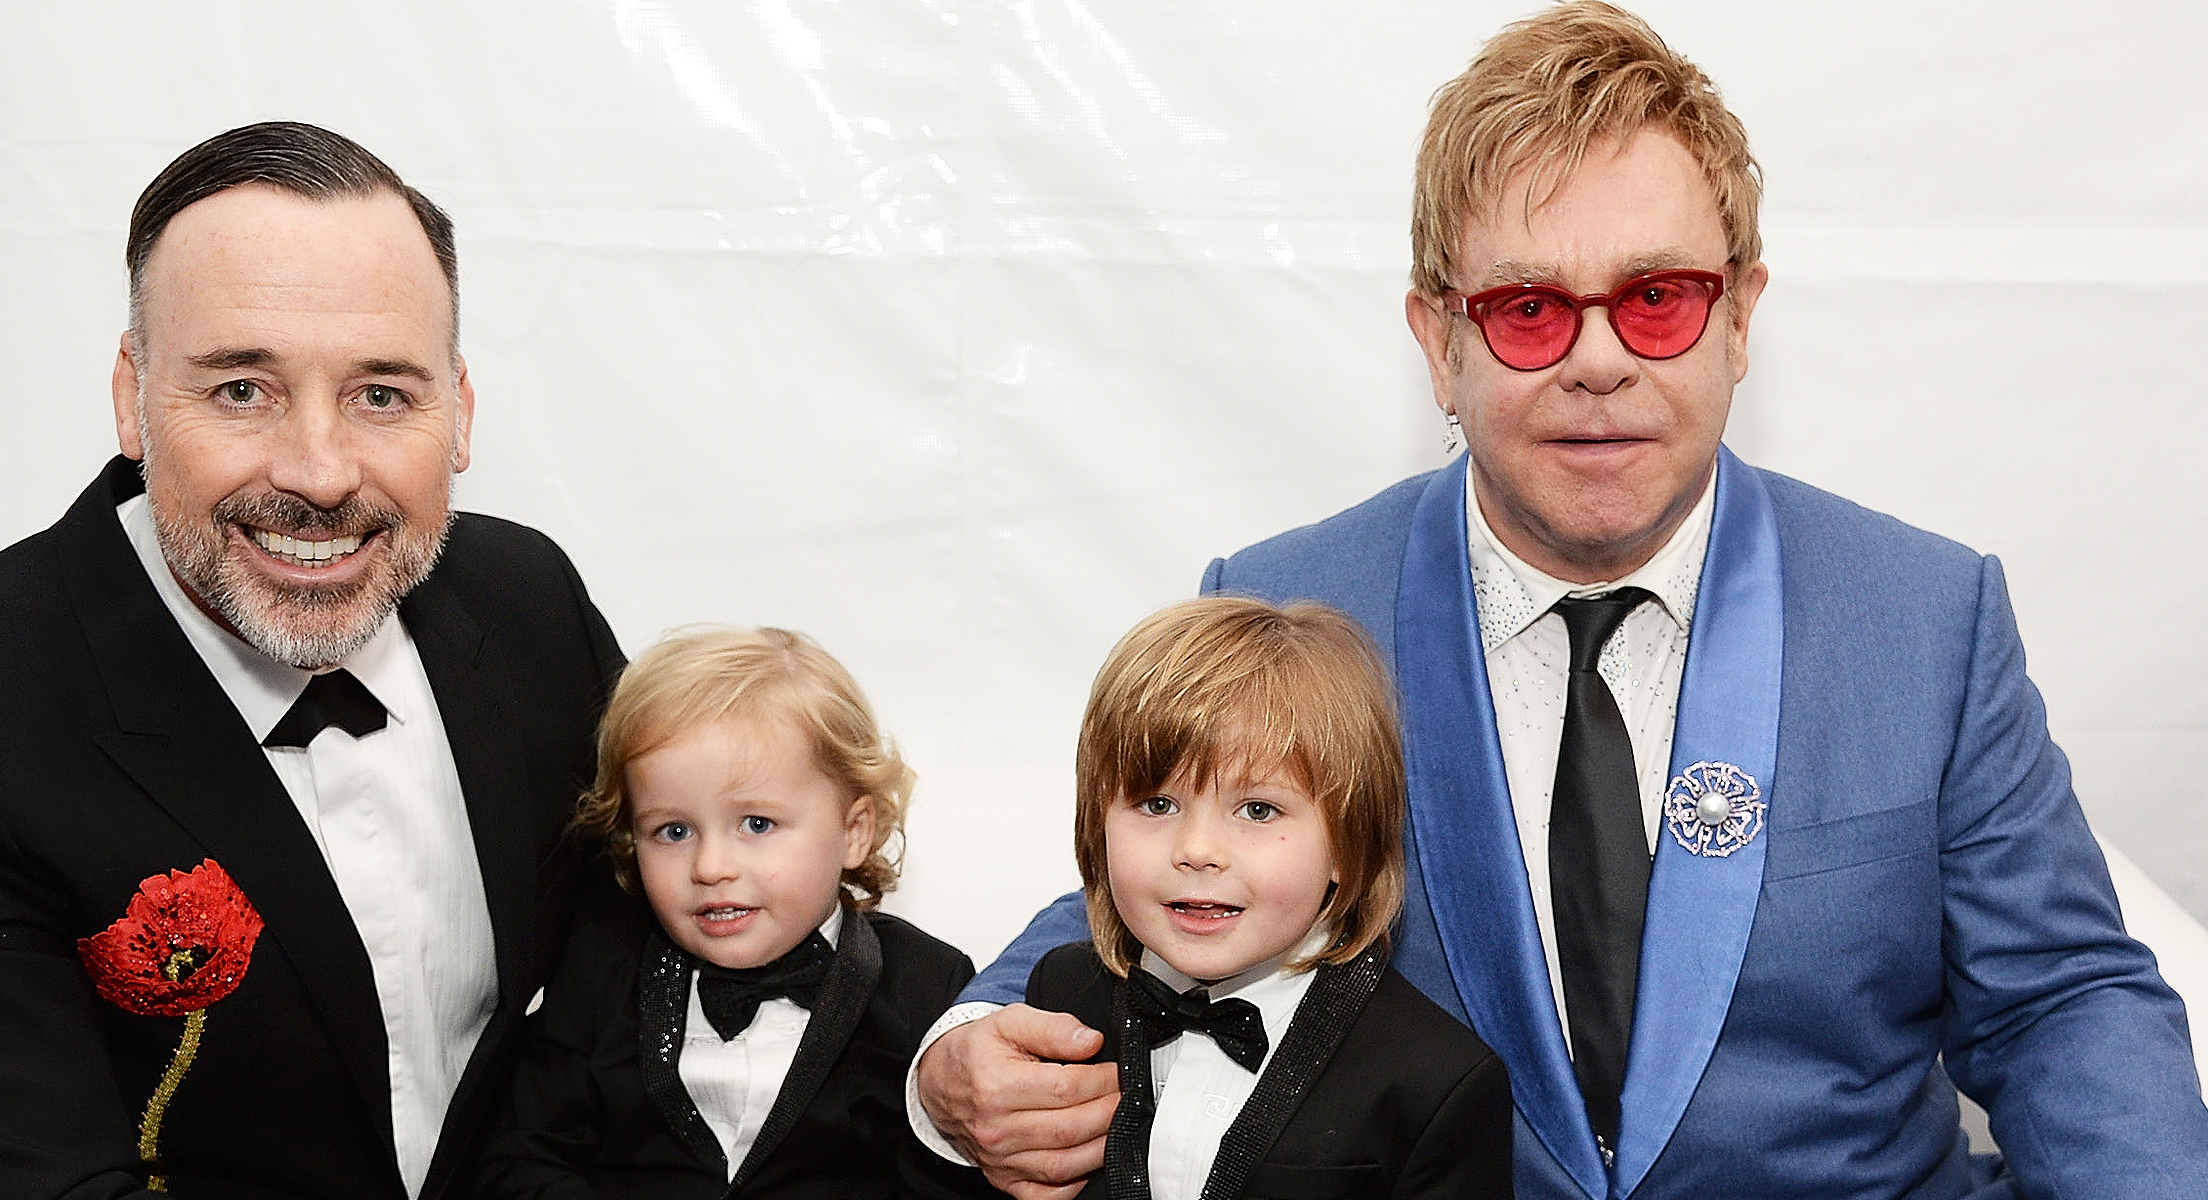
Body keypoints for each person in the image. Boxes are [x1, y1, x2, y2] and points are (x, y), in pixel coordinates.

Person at [912, 5, 2208, 1199]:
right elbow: (1150, 899)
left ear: (1740, 320)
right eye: (1529, 310)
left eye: (1656, 299)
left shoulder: (1928, 616)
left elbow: (2058, 1001)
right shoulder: (1286, 606)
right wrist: (959, 1056)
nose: (1597, 362)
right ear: (1439, 342)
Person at [0, 122, 628, 1199]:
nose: (321, 473)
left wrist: (930, 1043)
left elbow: (702, 897)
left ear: (459, 412)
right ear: (131, 398)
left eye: (382, 392)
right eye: (242, 388)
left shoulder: (526, 600)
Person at [473, 627, 995, 1199]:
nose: (711, 866)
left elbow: (955, 1179)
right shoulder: (601, 970)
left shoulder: (928, 985)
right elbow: (522, 1153)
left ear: (854, 831)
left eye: (757, 824)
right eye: (673, 831)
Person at [1022, 596, 1509, 1200]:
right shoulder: (1057, 1002)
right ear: (1097, 825)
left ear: (1347, 844)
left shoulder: (1435, 1082)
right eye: (1158, 804)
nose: (1198, 849)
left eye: (1258, 810)